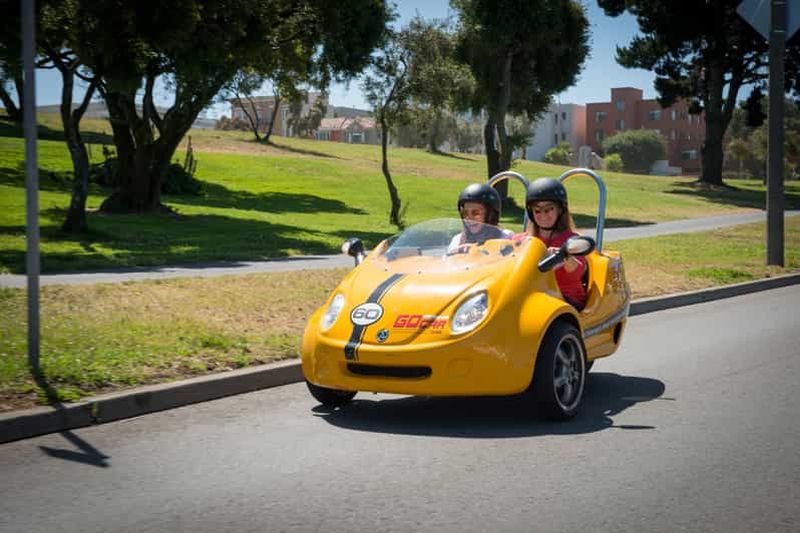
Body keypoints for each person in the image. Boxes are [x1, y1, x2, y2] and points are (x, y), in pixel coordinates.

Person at [524, 177, 587, 309]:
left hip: (566, 299)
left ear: (560, 209)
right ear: (531, 213)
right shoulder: (522, 240)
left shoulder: (572, 240)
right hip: (531, 296)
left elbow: (578, 271)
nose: (542, 215)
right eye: (537, 210)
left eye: (548, 209)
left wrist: (565, 257)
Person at [448, 183, 513, 253]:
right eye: (465, 213)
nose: (469, 219)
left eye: (476, 213)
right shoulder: (457, 241)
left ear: (491, 215)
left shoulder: (506, 238)